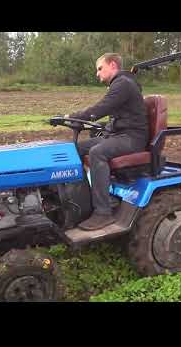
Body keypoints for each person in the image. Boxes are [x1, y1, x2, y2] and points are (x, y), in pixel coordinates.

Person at [68, 53, 148, 231]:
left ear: (112, 65)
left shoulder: (123, 84)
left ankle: (103, 212)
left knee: (98, 152)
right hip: (118, 135)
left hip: (132, 138)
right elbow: (115, 116)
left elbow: (102, 107)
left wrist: (75, 117)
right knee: (74, 149)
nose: (97, 74)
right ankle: (78, 198)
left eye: (100, 68)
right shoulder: (120, 84)